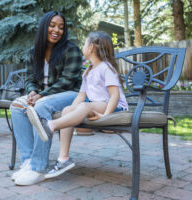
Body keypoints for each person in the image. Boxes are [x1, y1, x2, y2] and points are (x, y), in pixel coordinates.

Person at [27, 31, 128, 178]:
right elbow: (81, 96)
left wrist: (106, 115)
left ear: (91, 47)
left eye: (85, 44)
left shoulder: (106, 68)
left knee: (85, 106)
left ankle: (50, 126)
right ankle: (63, 159)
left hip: (115, 107)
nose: (83, 47)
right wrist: (71, 110)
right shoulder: (88, 71)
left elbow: (115, 95)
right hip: (97, 105)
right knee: (68, 109)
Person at [10, 11, 83, 185]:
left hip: (72, 94)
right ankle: (28, 162)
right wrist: (32, 92)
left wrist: (41, 95)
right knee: (17, 106)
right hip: (44, 96)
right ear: (44, 27)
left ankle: (39, 168)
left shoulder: (70, 49)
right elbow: (30, 79)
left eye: (61, 27)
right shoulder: (33, 52)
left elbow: (68, 81)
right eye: (52, 25)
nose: (56, 30)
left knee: (41, 106)